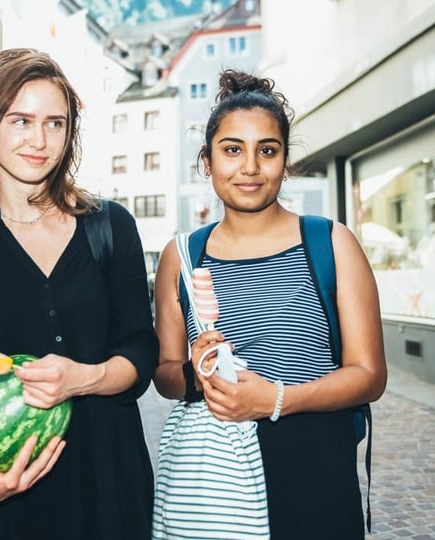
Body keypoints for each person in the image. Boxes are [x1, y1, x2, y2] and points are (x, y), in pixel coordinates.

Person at [0, 48, 158, 540]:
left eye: (55, 123)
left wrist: (83, 378)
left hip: (108, 484)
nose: (39, 140)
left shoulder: (110, 228)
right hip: (5, 499)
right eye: (21, 120)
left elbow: (141, 352)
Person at [152, 69, 388, 539]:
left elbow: (369, 376)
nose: (250, 167)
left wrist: (276, 399)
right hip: (219, 483)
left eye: (267, 150)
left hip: (317, 476)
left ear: (285, 160)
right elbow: (164, 374)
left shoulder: (330, 243)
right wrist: (194, 373)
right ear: (206, 161)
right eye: (232, 149)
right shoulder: (180, 256)